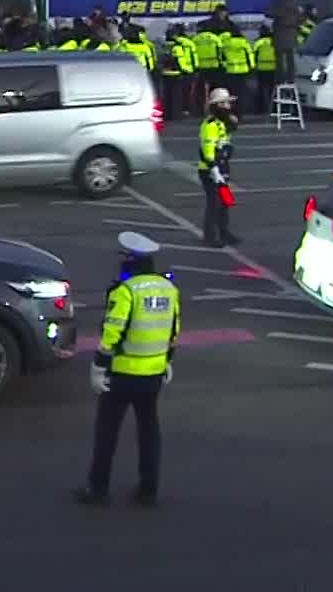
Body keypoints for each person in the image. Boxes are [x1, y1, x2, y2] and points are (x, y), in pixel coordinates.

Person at [74, 231, 179, 507]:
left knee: (107, 432)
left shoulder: (126, 291)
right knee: (148, 432)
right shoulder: (169, 289)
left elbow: (112, 333)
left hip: (122, 374)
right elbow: (173, 329)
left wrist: (99, 367)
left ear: (129, 260)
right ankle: (148, 490)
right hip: (153, 374)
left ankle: (98, 489)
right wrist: (167, 360)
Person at [198, 87, 238, 247]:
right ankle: (210, 236)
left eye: (228, 103)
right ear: (217, 105)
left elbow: (231, 130)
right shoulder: (211, 125)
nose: (228, 106)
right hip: (210, 170)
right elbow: (208, 151)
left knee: (225, 201)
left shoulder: (222, 123)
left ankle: (224, 232)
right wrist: (214, 171)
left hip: (223, 168)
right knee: (214, 203)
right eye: (225, 103)